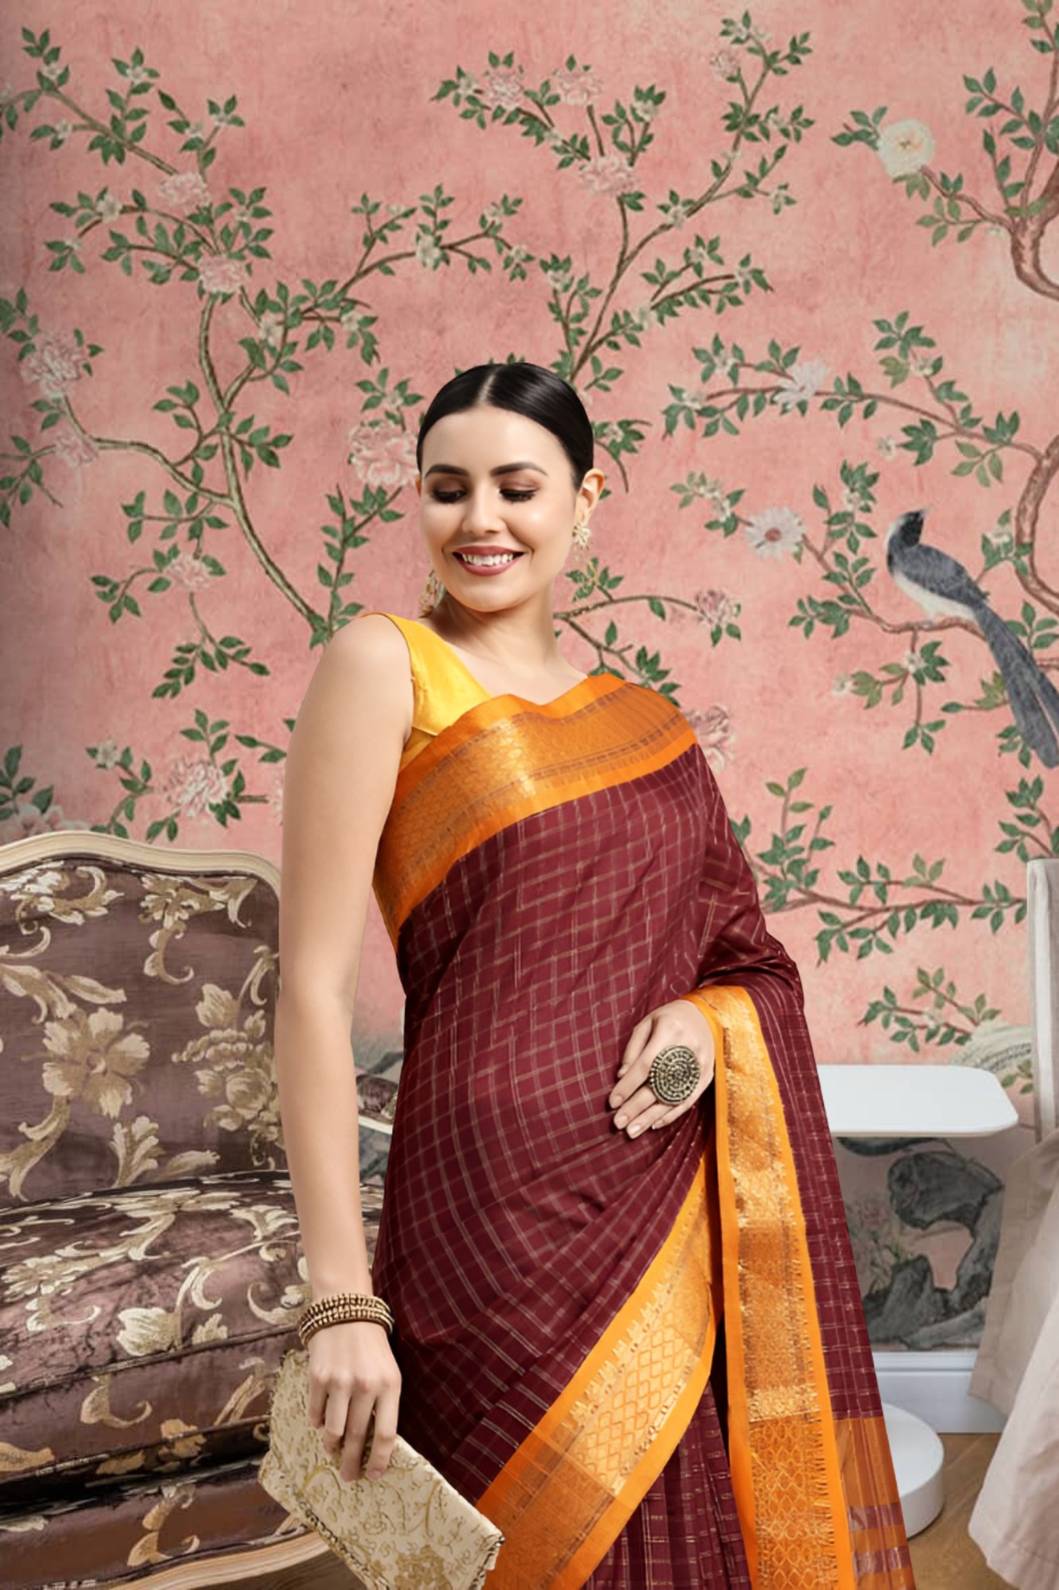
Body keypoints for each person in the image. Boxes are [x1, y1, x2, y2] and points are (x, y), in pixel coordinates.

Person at [275, 360, 916, 1586]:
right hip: (484, 1217)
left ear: (587, 500)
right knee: (520, 1538)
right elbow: (308, 991)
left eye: (518, 487)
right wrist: (340, 1298)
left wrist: (702, 1025)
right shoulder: (386, 665)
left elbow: (748, 963)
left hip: (657, 1197)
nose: (481, 521)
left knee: (674, 1531)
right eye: (446, 489)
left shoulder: (650, 723)